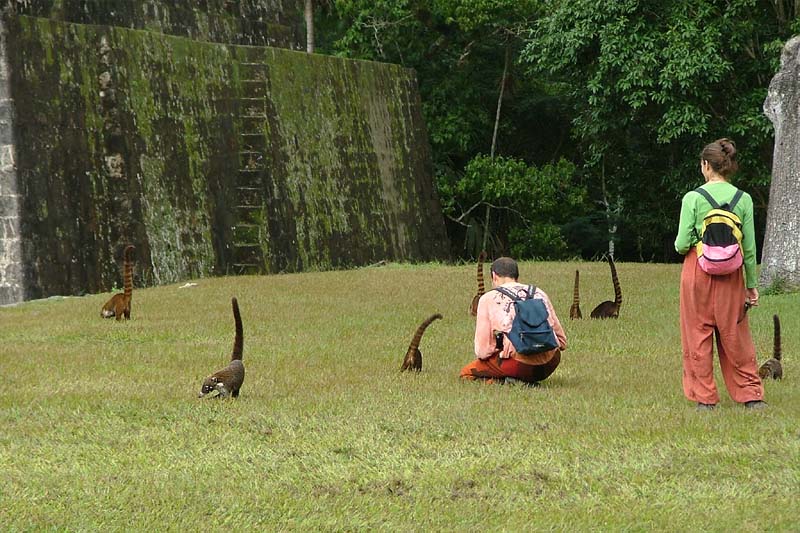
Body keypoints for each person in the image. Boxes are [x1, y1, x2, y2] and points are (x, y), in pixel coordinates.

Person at [674, 138, 766, 410]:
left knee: (697, 333)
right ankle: (751, 396)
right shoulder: (744, 199)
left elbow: (680, 245)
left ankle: (705, 399)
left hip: (697, 272)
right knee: (735, 334)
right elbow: (748, 249)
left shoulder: (693, 198)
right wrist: (751, 285)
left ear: (705, 165)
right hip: (732, 275)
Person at [460, 256, 567, 385]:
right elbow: (562, 341)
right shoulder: (539, 293)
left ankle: (509, 382)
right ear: (516, 276)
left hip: (518, 364)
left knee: (466, 374)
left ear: (494, 276)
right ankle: (523, 380)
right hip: (550, 363)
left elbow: (482, 351)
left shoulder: (488, 298)